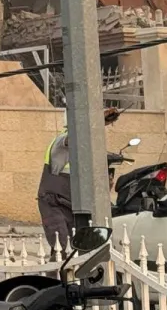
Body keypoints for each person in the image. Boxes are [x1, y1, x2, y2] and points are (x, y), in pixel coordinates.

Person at [37, 107, 120, 249]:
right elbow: (75, 137)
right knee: (61, 246)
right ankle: (58, 263)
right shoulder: (61, 141)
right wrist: (97, 119)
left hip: (72, 203)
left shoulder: (84, 150)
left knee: (76, 247)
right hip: (53, 202)